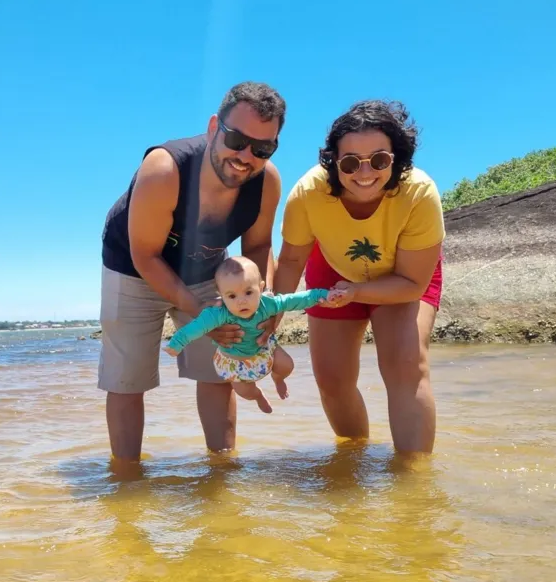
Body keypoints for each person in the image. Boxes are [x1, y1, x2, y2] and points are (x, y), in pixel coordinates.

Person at [98, 81, 287, 462]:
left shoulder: (266, 182)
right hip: (133, 266)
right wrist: (202, 317)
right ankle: (127, 482)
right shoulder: (164, 169)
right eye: (236, 139)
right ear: (215, 126)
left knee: (218, 372)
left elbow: (258, 248)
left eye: (262, 148)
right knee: (127, 380)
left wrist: (267, 300)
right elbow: (146, 255)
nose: (246, 156)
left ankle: (222, 471)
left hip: (207, 269)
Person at [273, 99, 445, 454]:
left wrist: (359, 291)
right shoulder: (308, 193)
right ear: (334, 162)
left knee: (405, 366)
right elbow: (290, 260)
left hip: (403, 274)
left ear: (396, 157)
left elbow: (413, 283)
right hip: (332, 267)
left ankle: (413, 485)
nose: (364, 173)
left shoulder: (419, 193)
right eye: (350, 162)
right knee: (332, 380)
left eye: (379, 160)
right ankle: (353, 459)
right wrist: (266, 321)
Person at [163, 255, 339, 413]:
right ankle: (258, 396)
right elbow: (195, 328)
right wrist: (176, 344)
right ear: (221, 296)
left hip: (264, 350)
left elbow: (297, 299)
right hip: (233, 363)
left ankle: (278, 379)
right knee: (245, 392)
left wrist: (323, 295)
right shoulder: (217, 313)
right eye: (231, 296)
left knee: (287, 365)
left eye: (248, 292)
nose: (241, 301)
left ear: (260, 288)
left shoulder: (268, 304)